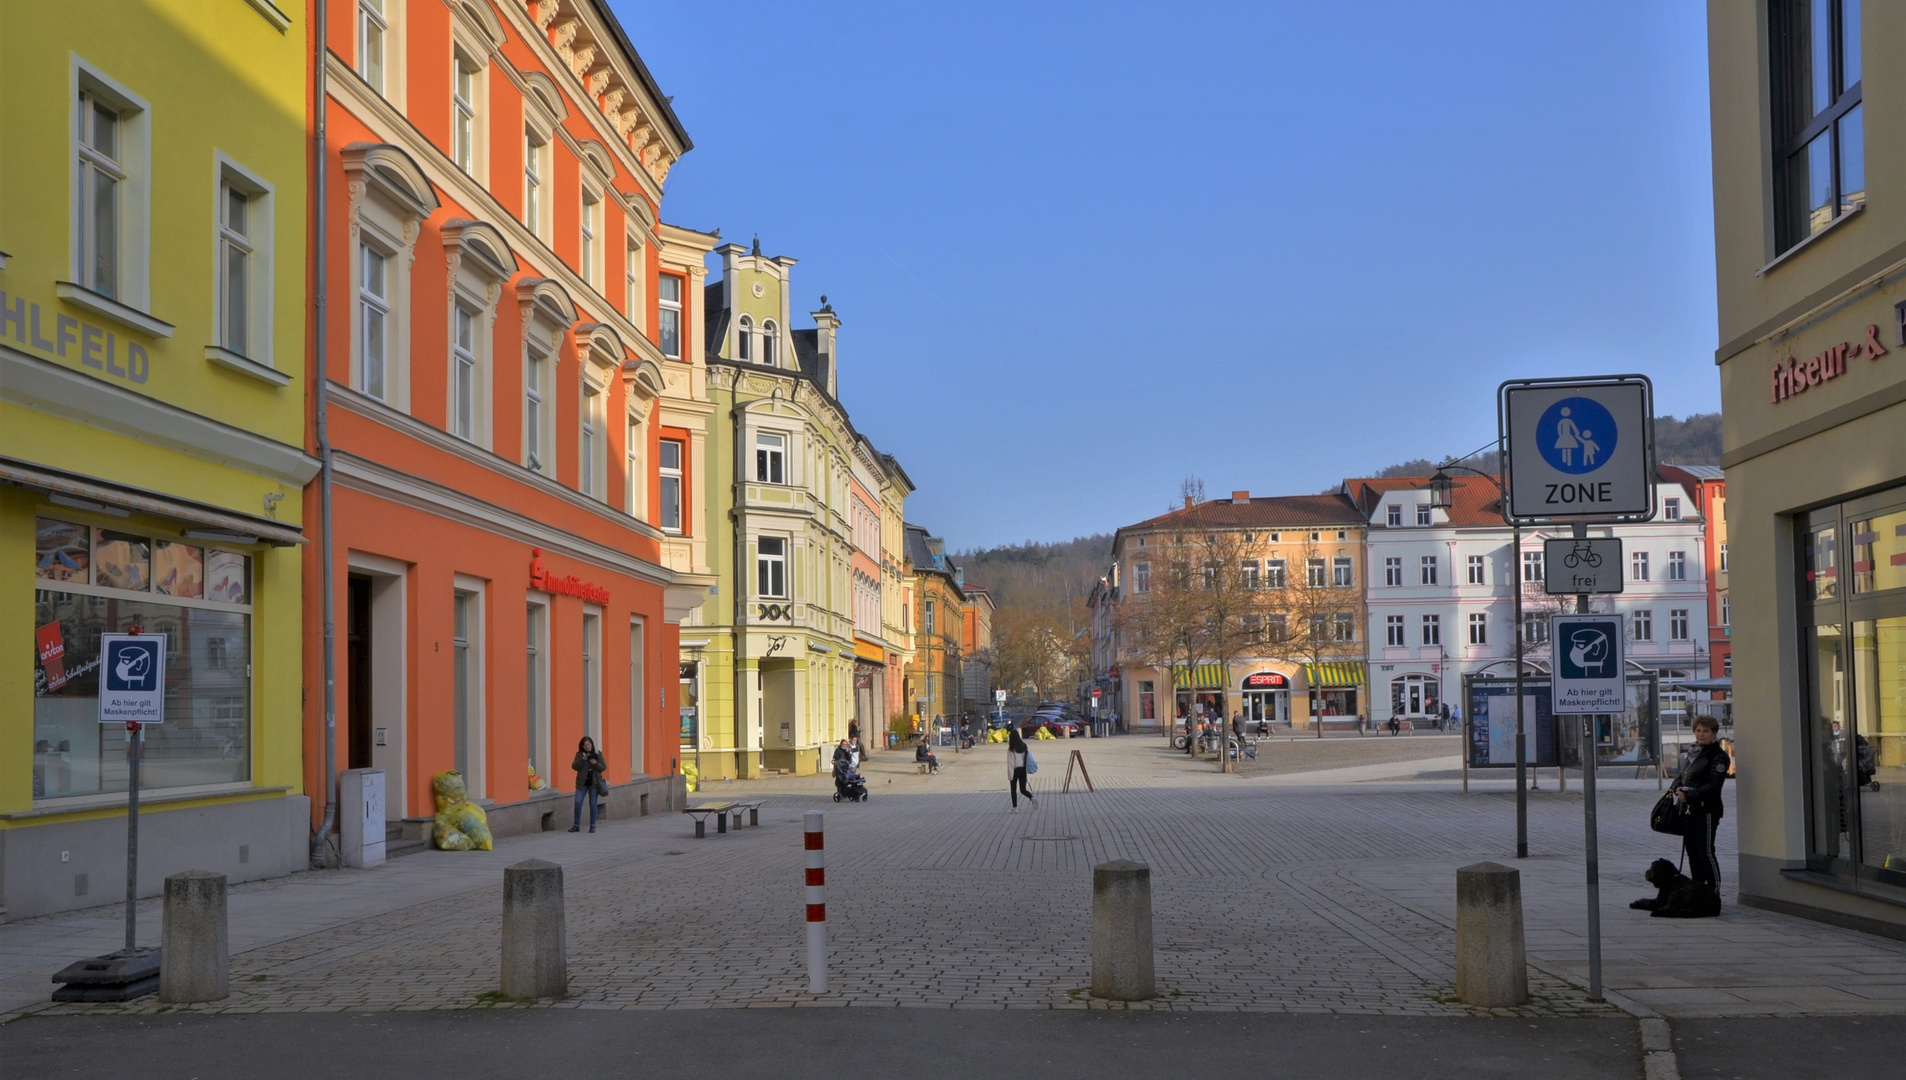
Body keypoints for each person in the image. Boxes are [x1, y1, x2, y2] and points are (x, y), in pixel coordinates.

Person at [1674, 715, 1731, 911]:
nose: (1701, 734)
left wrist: (1690, 796)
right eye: (1698, 730)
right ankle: (1697, 891)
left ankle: (1713, 893)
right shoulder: (1691, 753)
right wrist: (1677, 790)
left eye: (1706, 731)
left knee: (1706, 852)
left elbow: (1714, 786)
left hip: (1707, 810)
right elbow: (1681, 777)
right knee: (1692, 852)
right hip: (1689, 812)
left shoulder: (1718, 756)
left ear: (1714, 733)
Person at [569, 736, 606, 833]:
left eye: (589, 744)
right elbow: (574, 766)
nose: (587, 747)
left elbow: (603, 767)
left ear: (592, 744)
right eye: (585, 745)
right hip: (582, 784)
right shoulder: (579, 754)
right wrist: (583, 759)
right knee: (577, 802)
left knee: (593, 804)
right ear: (582, 746)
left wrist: (595, 763)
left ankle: (593, 825)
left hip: (594, 784)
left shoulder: (598, 753)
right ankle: (576, 825)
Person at [1007, 727, 1037, 811]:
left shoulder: (1011, 749)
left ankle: (1015, 807)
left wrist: (1010, 776)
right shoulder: (1024, 746)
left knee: (1013, 789)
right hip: (1023, 769)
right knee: (1023, 789)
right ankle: (1032, 798)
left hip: (1015, 770)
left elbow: (1011, 763)